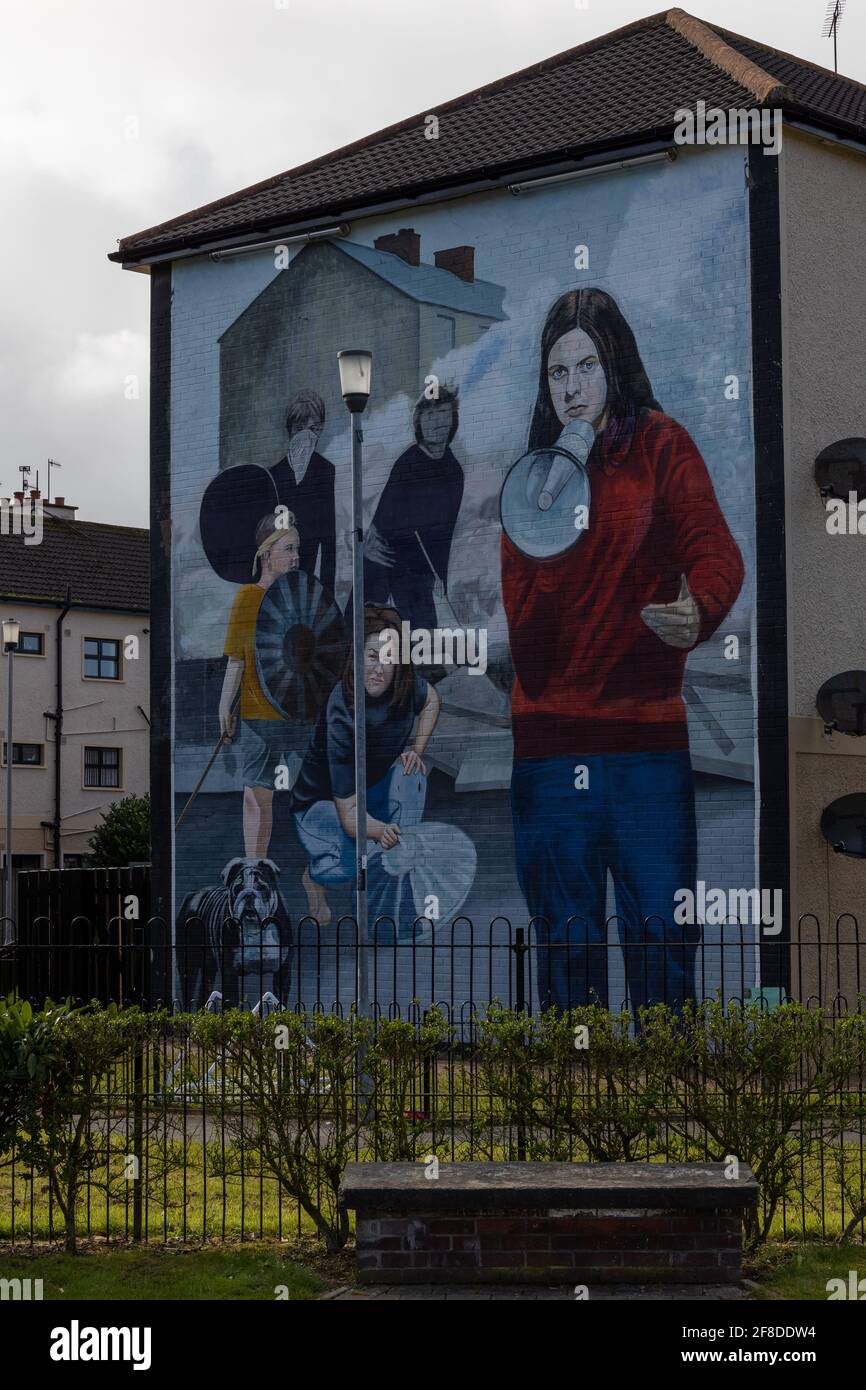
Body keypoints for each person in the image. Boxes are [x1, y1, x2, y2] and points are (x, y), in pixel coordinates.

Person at [501, 287, 744, 1015]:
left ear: (616, 366)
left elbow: (715, 549)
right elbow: (531, 646)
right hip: (549, 754)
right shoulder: (530, 479)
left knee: (663, 940)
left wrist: (698, 607)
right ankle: (580, 1117)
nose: (572, 389)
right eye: (556, 373)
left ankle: (665, 1108)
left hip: (645, 747)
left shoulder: (661, 446)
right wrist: (549, 521)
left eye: (587, 366)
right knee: (567, 951)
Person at [291, 605, 441, 925]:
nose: (379, 668)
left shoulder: (403, 687)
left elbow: (431, 700)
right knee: (349, 864)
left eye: (388, 657)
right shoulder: (341, 713)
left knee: (410, 774)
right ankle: (316, 877)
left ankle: (392, 893)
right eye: (372, 656)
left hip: (368, 790)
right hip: (322, 805)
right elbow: (348, 815)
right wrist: (382, 831)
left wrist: (417, 748)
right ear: (357, 658)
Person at [219, 511, 302, 859]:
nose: (296, 556)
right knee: (257, 795)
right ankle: (256, 866)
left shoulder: (299, 596)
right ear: (267, 554)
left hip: (297, 714)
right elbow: (236, 659)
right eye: (288, 548)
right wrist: (224, 705)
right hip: (257, 714)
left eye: (298, 548)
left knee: (307, 792)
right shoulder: (247, 599)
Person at [363, 386, 464, 635]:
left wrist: (440, 577)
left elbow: (444, 537)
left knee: (424, 640)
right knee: (364, 629)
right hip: (387, 560)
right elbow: (385, 526)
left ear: (453, 419)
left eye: (443, 412)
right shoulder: (407, 464)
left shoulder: (454, 471)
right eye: (429, 415)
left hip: (420, 569)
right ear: (418, 423)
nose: (437, 421)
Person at [270, 389, 336, 597]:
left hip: (308, 574)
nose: (307, 437)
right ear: (290, 430)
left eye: (314, 429)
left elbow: (328, 538)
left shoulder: (324, 470)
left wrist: (327, 593)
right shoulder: (274, 476)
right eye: (300, 428)